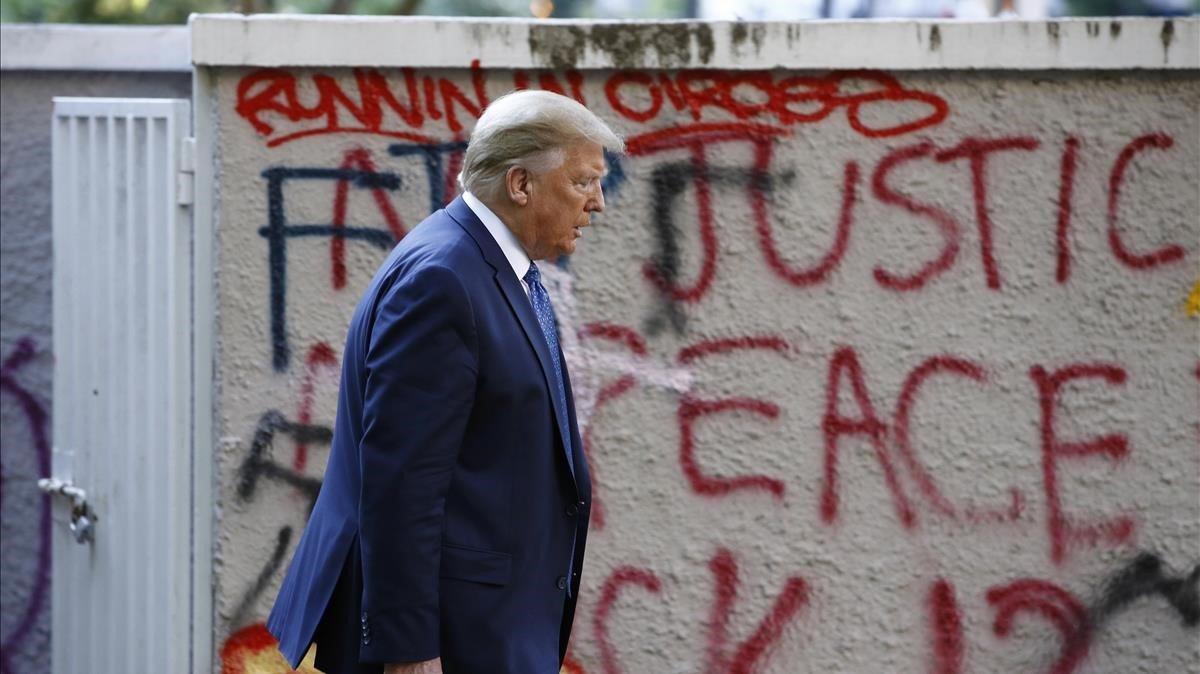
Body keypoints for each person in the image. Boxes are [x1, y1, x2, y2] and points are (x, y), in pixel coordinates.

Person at [266, 89, 624, 674]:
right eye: (585, 181)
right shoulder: (443, 281)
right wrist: (408, 652)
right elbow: (400, 480)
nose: (599, 203)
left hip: (488, 625)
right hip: (451, 640)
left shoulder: (491, 265)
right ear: (520, 184)